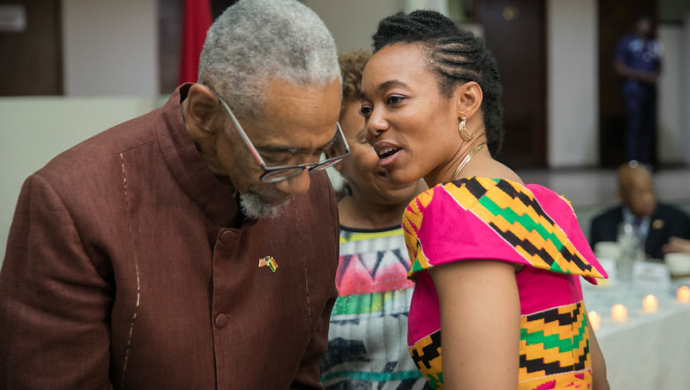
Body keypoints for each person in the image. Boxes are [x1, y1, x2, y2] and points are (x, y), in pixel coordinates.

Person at [0, 0, 348, 388]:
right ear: (204, 113)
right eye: (277, 156)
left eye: (320, 150)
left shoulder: (314, 194)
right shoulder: (72, 203)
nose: (300, 184)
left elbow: (304, 372)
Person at [360, 10, 609, 389]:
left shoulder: (463, 210)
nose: (372, 124)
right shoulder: (531, 200)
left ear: (466, 100)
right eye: (367, 108)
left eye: (394, 99)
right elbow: (594, 375)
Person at [319, 50, 428, 389]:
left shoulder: (450, 225)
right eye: (369, 139)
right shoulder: (318, 242)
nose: (389, 147)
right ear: (336, 156)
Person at [590, 162, 690, 261]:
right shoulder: (602, 224)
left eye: (651, 191)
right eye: (638, 194)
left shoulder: (678, 221)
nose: (648, 199)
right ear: (620, 195)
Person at [614, 14, 662, 166]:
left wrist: (654, 76)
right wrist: (641, 75)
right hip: (634, 91)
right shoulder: (627, 42)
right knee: (634, 125)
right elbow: (619, 66)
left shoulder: (654, 44)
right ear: (636, 24)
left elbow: (659, 65)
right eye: (642, 23)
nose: (645, 26)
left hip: (650, 91)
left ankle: (645, 161)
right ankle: (632, 161)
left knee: (648, 127)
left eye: (648, 23)